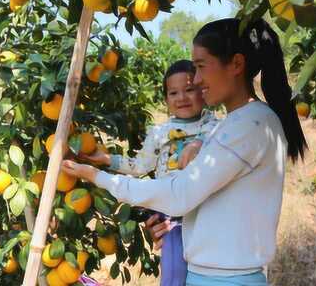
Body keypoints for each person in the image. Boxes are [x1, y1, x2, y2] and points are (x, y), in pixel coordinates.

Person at [63, 18, 307, 286]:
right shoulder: (237, 124)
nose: (198, 80)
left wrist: (98, 177)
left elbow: (179, 195)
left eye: (201, 67)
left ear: (236, 64)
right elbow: (211, 201)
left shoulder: (250, 124)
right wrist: (181, 228)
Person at [80, 59, 218, 286]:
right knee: (173, 275)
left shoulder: (212, 125)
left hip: (206, 214)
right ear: (166, 99)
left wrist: (198, 144)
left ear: (203, 90)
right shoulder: (160, 133)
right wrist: (106, 159)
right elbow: (139, 166)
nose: (181, 98)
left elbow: (215, 141)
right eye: (173, 93)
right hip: (172, 217)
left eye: (189, 89)